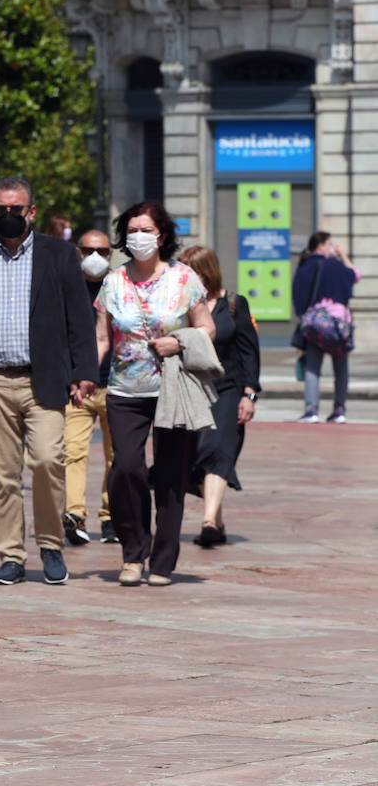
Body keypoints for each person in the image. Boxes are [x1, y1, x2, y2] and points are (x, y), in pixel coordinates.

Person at [0, 176, 99, 587]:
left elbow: (79, 317)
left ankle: (50, 546)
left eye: (17, 209)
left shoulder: (60, 255)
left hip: (44, 378)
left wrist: (85, 372)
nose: (8, 216)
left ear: (31, 211)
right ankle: (12, 556)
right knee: (3, 473)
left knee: (50, 460)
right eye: (1, 210)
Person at [95, 201, 215, 587]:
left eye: (146, 230)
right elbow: (102, 336)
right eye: (132, 230)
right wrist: (82, 375)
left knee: (170, 473)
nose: (138, 237)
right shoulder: (113, 281)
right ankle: (133, 553)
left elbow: (207, 328)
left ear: (161, 235)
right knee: (125, 468)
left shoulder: (185, 279)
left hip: (174, 387)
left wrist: (178, 342)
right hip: (124, 389)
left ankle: (162, 560)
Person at [178, 245, 260, 548]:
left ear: (207, 271)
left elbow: (249, 353)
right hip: (192, 390)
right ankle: (218, 522)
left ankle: (208, 521)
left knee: (218, 450)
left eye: (193, 270)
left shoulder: (236, 305)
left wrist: (249, 395)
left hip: (228, 389)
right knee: (196, 457)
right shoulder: (181, 303)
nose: (187, 276)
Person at [63, 229, 117, 546]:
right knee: (72, 453)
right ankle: (75, 515)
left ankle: (111, 518)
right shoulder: (66, 288)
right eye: (88, 250)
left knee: (118, 456)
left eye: (102, 251)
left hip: (117, 384)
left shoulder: (121, 286)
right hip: (78, 387)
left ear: (111, 254)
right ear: (78, 252)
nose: (95, 257)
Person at [292, 232, 359, 423]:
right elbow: (355, 275)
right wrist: (342, 255)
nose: (332, 247)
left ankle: (311, 410)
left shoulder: (305, 266)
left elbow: (298, 296)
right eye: (330, 244)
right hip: (339, 325)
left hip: (316, 324)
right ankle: (339, 410)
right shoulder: (335, 265)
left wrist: (302, 317)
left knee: (313, 367)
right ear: (321, 246)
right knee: (341, 367)